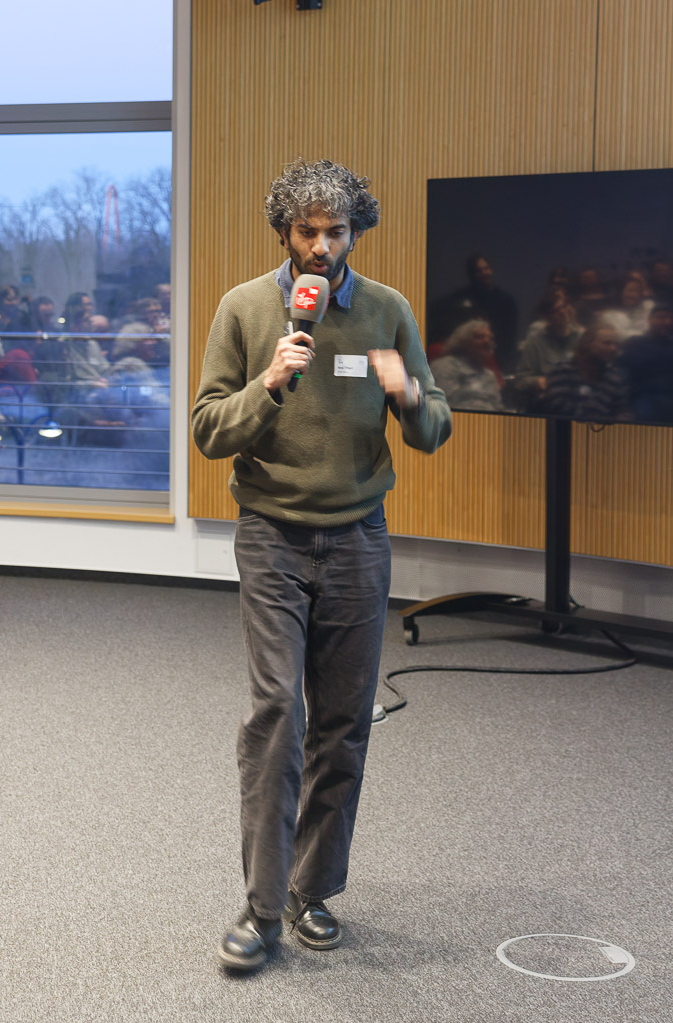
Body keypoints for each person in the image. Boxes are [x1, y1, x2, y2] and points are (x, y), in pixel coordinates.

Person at [192, 158, 451, 973]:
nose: (321, 246)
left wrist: (408, 393)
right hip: (271, 537)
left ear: (354, 234)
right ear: (284, 232)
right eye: (307, 231)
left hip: (358, 540)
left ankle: (313, 891)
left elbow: (434, 428)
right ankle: (262, 907)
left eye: (336, 232)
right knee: (277, 714)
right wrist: (269, 383)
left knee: (341, 725)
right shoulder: (243, 308)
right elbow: (208, 430)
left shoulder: (387, 310)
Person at [428, 253, 519, 372]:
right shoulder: (461, 299)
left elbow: (510, 336)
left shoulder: (505, 300)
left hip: (498, 359)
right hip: (468, 361)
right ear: (472, 275)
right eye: (479, 271)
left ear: (491, 270)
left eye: (486, 268)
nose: (484, 273)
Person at [542, 324, 628, 423]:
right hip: (568, 429)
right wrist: (596, 419)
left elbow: (623, 409)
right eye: (607, 343)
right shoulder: (563, 370)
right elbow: (557, 405)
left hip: (605, 431)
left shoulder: (613, 377)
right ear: (587, 344)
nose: (613, 348)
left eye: (615, 344)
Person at [515, 289, 580, 411]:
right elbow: (520, 380)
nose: (563, 312)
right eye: (556, 310)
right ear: (546, 317)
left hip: (576, 397)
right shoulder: (535, 342)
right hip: (548, 400)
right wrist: (536, 381)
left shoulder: (580, 337)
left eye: (563, 307)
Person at [431, 319, 504, 412]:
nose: (487, 341)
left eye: (490, 338)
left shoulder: (489, 375)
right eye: (479, 337)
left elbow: (498, 407)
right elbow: (441, 405)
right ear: (463, 341)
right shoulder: (444, 366)